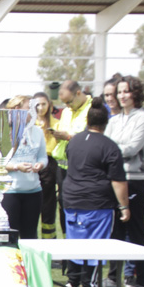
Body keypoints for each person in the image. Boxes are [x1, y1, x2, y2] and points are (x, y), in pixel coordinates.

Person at [61, 104, 130, 287]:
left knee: (75, 242)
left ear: (87, 120)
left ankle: (71, 282)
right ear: (106, 122)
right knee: (96, 246)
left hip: (71, 199)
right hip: (96, 202)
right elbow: (118, 181)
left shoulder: (73, 142)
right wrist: (124, 206)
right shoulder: (109, 146)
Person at [105, 75, 144, 287]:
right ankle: (113, 276)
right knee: (116, 230)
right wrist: (115, 150)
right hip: (114, 178)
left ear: (135, 94)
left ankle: (139, 279)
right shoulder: (113, 120)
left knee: (135, 230)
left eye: (127, 91)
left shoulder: (142, 118)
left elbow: (132, 148)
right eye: (120, 91)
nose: (122, 96)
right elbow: (106, 148)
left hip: (134, 180)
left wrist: (114, 150)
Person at [50, 80, 93, 243]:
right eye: (64, 103)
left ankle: (81, 242)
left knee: (80, 207)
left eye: (69, 101)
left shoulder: (92, 108)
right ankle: (67, 241)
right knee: (64, 206)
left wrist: (68, 136)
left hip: (81, 168)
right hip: (63, 166)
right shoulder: (67, 111)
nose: (67, 106)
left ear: (78, 93)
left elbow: (92, 137)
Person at [1, 95, 47, 239]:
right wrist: (16, 166)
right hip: (9, 192)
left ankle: (29, 262)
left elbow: (42, 156)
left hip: (33, 191)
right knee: (10, 236)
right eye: (29, 108)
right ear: (17, 109)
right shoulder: (3, 132)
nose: (34, 112)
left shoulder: (37, 132)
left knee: (30, 236)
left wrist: (41, 164)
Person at [32, 92, 60, 239]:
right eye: (37, 104)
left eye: (44, 104)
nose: (41, 108)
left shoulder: (56, 123)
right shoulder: (30, 123)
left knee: (48, 206)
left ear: (49, 105)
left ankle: (49, 241)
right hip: (31, 164)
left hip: (49, 164)